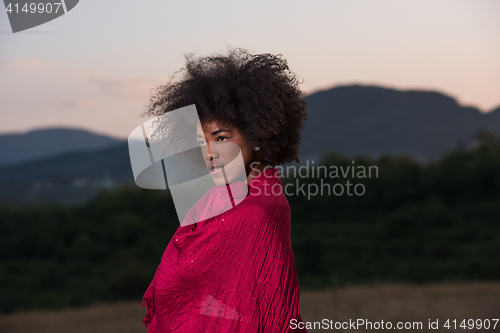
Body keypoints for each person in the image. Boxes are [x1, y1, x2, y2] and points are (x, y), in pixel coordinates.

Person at [141, 48, 308, 332]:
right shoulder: (236, 194)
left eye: (221, 138)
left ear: (257, 135)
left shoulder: (253, 210)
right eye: (201, 141)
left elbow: (186, 289)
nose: (208, 153)